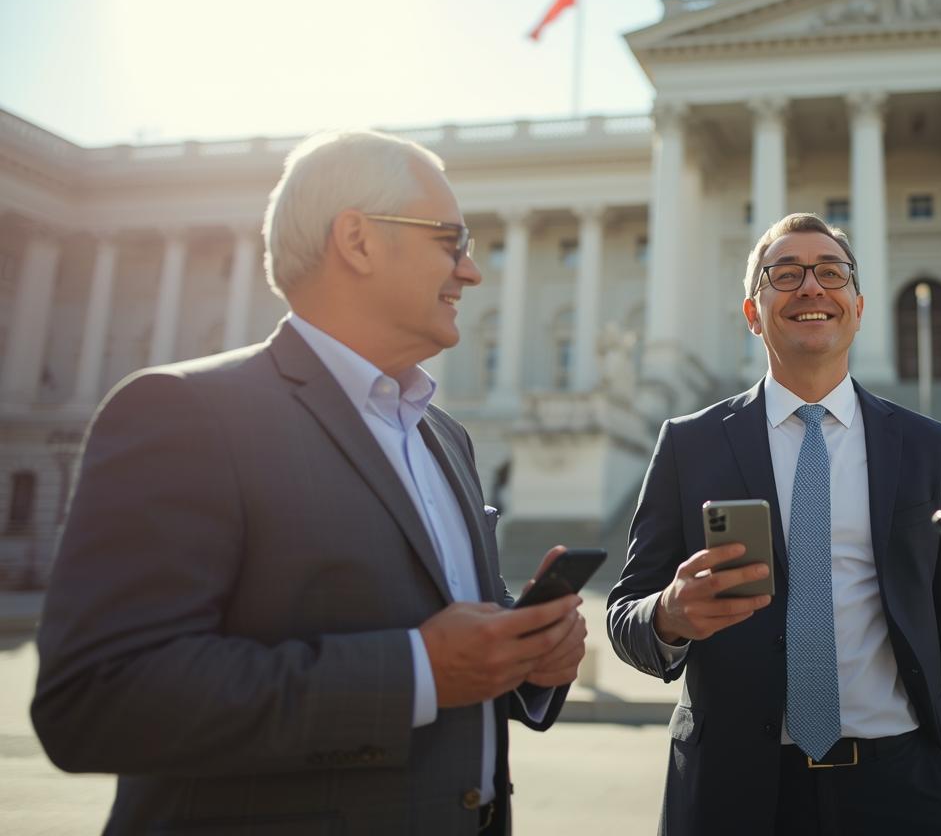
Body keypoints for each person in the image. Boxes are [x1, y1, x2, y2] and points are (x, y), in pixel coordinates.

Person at [32, 130, 586, 835]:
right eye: (452, 241)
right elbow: (95, 701)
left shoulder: (445, 436)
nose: (472, 272)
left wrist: (528, 655)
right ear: (357, 241)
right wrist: (416, 671)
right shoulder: (184, 413)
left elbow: (450, 638)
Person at [607, 213, 941, 835]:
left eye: (832, 273)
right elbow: (625, 611)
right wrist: (668, 616)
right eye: (785, 274)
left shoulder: (930, 447)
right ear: (752, 313)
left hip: (904, 788)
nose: (811, 286)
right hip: (733, 792)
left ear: (858, 308)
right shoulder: (690, 445)